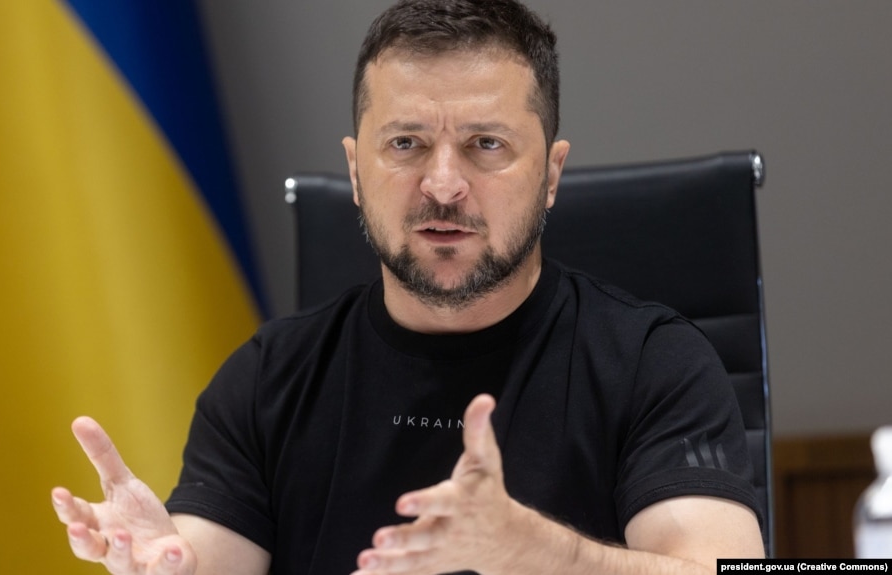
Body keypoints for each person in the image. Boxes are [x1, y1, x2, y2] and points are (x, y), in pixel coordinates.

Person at [51, 0, 766, 573]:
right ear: (356, 170)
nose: (443, 184)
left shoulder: (655, 363)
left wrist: (539, 554)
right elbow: (207, 557)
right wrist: (167, 565)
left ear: (551, 174)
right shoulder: (267, 377)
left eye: (486, 144)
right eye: (405, 144)